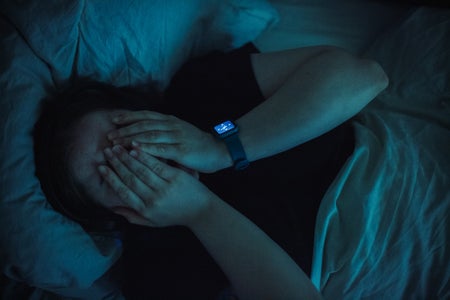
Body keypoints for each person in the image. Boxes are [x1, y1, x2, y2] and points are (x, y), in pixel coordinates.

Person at [33, 43, 388, 299]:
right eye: (109, 170)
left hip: (396, 165)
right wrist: (200, 211)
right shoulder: (157, 274)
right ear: (116, 211)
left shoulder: (199, 93)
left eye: (124, 130)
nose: (136, 152)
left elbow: (364, 76)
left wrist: (221, 145)